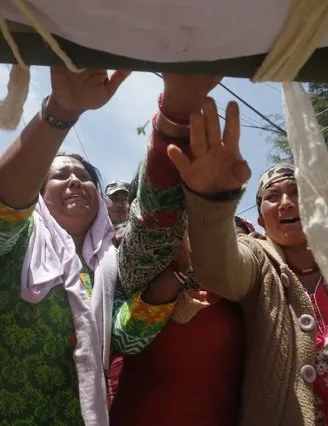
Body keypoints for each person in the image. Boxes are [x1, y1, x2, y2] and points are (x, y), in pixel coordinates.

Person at [166, 96, 328, 425]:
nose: (286, 203)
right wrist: (213, 201)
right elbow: (219, 272)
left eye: (296, 193)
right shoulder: (257, 258)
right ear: (262, 219)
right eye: (272, 197)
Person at [0, 67, 130, 425]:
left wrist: (171, 284)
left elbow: (126, 335)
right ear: (36, 193)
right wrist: (60, 113)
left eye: (83, 177)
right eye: (59, 175)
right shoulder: (14, 236)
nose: (74, 181)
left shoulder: (108, 267)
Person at [110, 75, 244, 426]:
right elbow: (157, 219)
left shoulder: (244, 256)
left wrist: (214, 207)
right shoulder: (138, 261)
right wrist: (176, 117)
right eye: (181, 180)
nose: (191, 191)